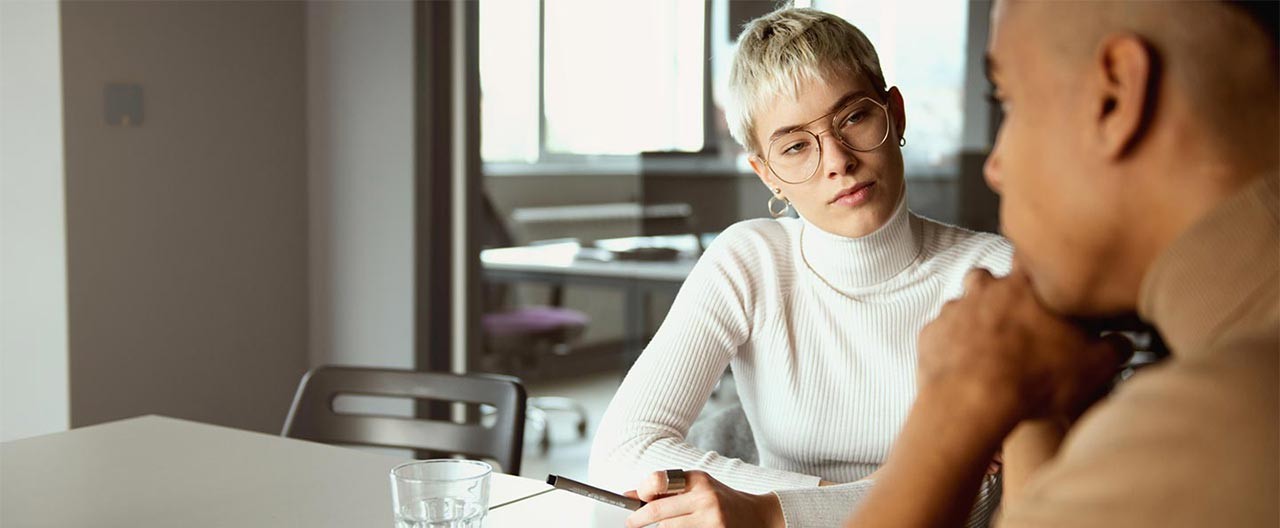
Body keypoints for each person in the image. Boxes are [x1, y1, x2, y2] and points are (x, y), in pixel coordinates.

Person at [845, 1, 1278, 527]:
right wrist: (1028, 402)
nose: (995, 168)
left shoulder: (1217, 422)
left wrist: (958, 399)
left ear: (1115, 96)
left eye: (1007, 100)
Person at [589, 7, 1011, 527]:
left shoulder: (993, 276)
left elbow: (986, 498)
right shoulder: (749, 260)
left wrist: (768, 512)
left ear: (895, 114)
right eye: (794, 146)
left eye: (854, 117)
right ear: (768, 176)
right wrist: (838, 500)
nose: (836, 160)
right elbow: (620, 454)